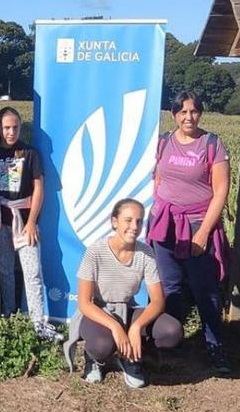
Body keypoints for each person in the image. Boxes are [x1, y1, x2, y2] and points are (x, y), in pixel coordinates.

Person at [146, 92, 232, 374]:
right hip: (166, 224)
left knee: (204, 290)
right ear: (174, 115)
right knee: (169, 286)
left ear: (201, 114)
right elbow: (158, 181)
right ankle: (169, 342)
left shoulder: (212, 144)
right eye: (182, 112)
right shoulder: (164, 142)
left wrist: (204, 231)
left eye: (193, 111)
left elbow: (221, 191)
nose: (188, 117)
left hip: (197, 223)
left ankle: (214, 346)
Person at [77, 198, 183, 388]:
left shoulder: (146, 253)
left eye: (139, 221)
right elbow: (84, 303)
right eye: (128, 220)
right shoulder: (95, 252)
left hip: (129, 309)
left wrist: (136, 327)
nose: (134, 226)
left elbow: (158, 301)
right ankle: (95, 359)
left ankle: (132, 357)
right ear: (114, 222)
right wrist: (115, 327)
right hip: (100, 312)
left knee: (171, 331)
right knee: (102, 345)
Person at [0, 107, 61, 341]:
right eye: (7, 128)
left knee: (32, 272)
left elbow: (39, 187)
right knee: (5, 271)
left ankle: (38, 322)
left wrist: (32, 222)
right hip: (1, 220)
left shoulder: (29, 153)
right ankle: (9, 315)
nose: (11, 132)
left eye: (15, 127)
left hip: (25, 221)